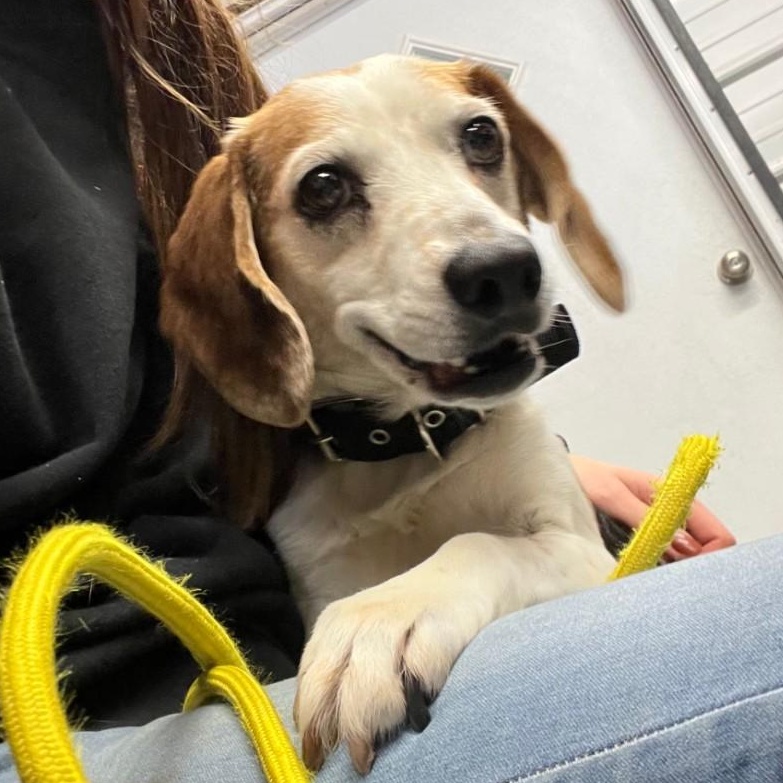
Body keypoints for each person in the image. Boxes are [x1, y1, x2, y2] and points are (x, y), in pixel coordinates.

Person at [1, 0, 758, 780]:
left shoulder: (144, 47)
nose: (487, 249)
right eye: (327, 191)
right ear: (250, 262)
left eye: (476, 141)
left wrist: (512, 527)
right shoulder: (297, 514)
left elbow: (573, 569)